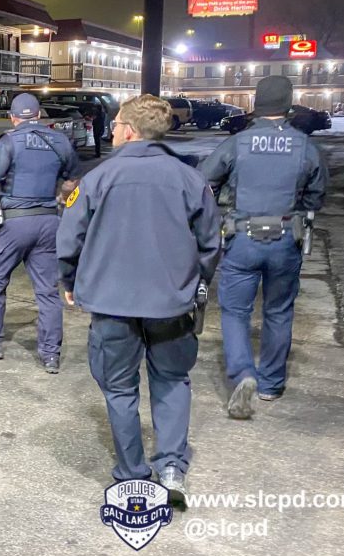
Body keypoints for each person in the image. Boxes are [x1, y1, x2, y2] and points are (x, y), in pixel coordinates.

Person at [57, 94, 221, 504]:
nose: (111, 130)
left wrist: (70, 280)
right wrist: (194, 282)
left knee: (119, 389)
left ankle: (132, 473)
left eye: (115, 125)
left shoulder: (98, 179)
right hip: (171, 303)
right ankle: (170, 469)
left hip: (112, 304)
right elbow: (210, 243)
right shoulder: (189, 178)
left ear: (128, 130)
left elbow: (69, 239)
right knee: (171, 380)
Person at [201, 75, 328, 419]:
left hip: (242, 238)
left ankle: (243, 374)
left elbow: (203, 180)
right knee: (278, 311)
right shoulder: (304, 145)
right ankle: (271, 383)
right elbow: (317, 194)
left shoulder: (238, 143)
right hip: (287, 239)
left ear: (256, 105)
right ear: (288, 105)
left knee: (235, 311)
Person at [0, 92, 82, 373]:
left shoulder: (9, 141)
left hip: (15, 223)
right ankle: (50, 355)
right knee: (47, 291)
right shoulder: (59, 141)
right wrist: (58, 198)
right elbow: (72, 180)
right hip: (48, 222)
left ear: (13, 117)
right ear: (40, 115)